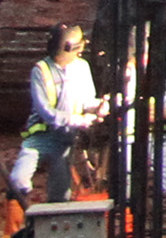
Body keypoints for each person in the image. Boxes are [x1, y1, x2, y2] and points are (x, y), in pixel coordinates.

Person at [12, 23, 109, 212]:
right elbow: (46, 112)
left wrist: (99, 106)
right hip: (41, 137)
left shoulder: (82, 68)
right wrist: (77, 120)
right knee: (18, 180)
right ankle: (13, 223)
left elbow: (86, 101)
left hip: (65, 141)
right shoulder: (40, 70)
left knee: (60, 194)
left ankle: (53, 220)